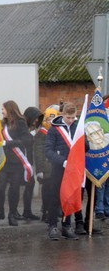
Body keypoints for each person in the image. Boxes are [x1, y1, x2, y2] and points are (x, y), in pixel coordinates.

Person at [44, 102, 80, 240]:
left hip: (73, 169)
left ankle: (66, 226)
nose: (71, 120)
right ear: (63, 114)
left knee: (69, 197)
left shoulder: (77, 128)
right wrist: (63, 161)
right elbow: (48, 150)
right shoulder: (54, 130)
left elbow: (84, 147)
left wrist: (85, 143)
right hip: (58, 168)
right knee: (55, 197)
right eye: (68, 117)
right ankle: (53, 226)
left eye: (73, 117)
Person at [0, 100, 31, 227]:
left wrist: (7, 143)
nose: (1, 111)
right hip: (3, 161)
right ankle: (0, 212)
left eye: (3, 109)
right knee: (0, 189)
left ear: (9, 110)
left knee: (14, 189)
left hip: (16, 162)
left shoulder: (21, 122)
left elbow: (26, 140)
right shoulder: (2, 123)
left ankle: (12, 214)